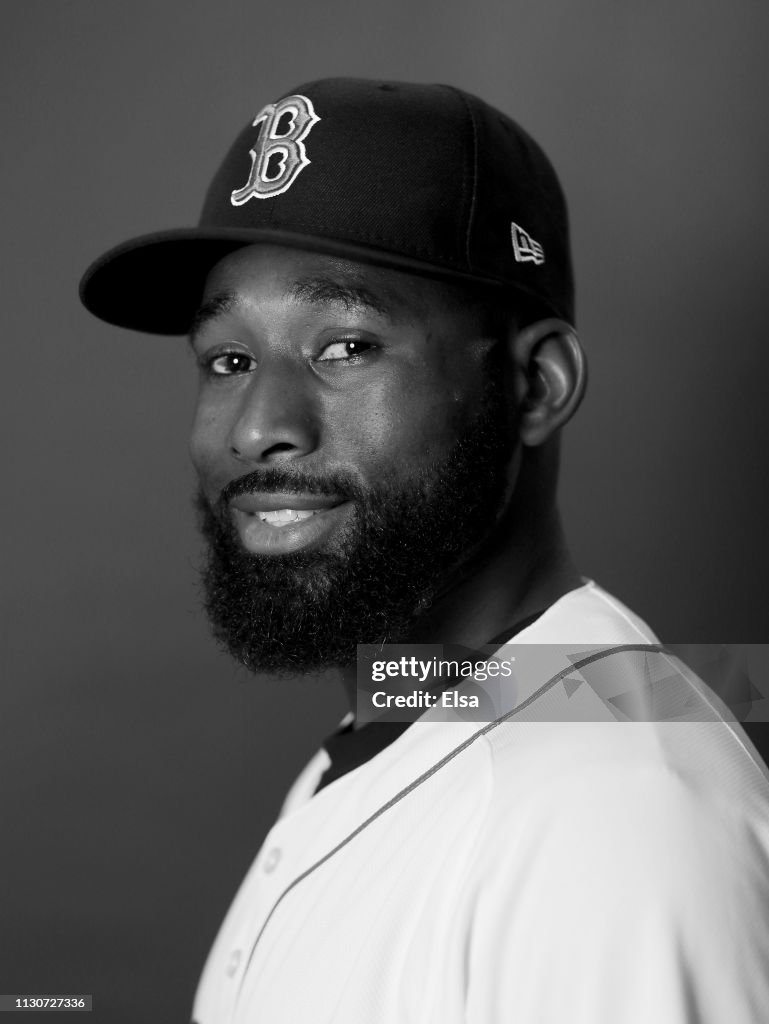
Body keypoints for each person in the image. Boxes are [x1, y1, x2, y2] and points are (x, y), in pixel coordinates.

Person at [80, 78, 769, 1023]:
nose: (256, 429)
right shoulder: (409, 719)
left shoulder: (613, 817)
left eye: (346, 346)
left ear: (534, 385)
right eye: (228, 360)